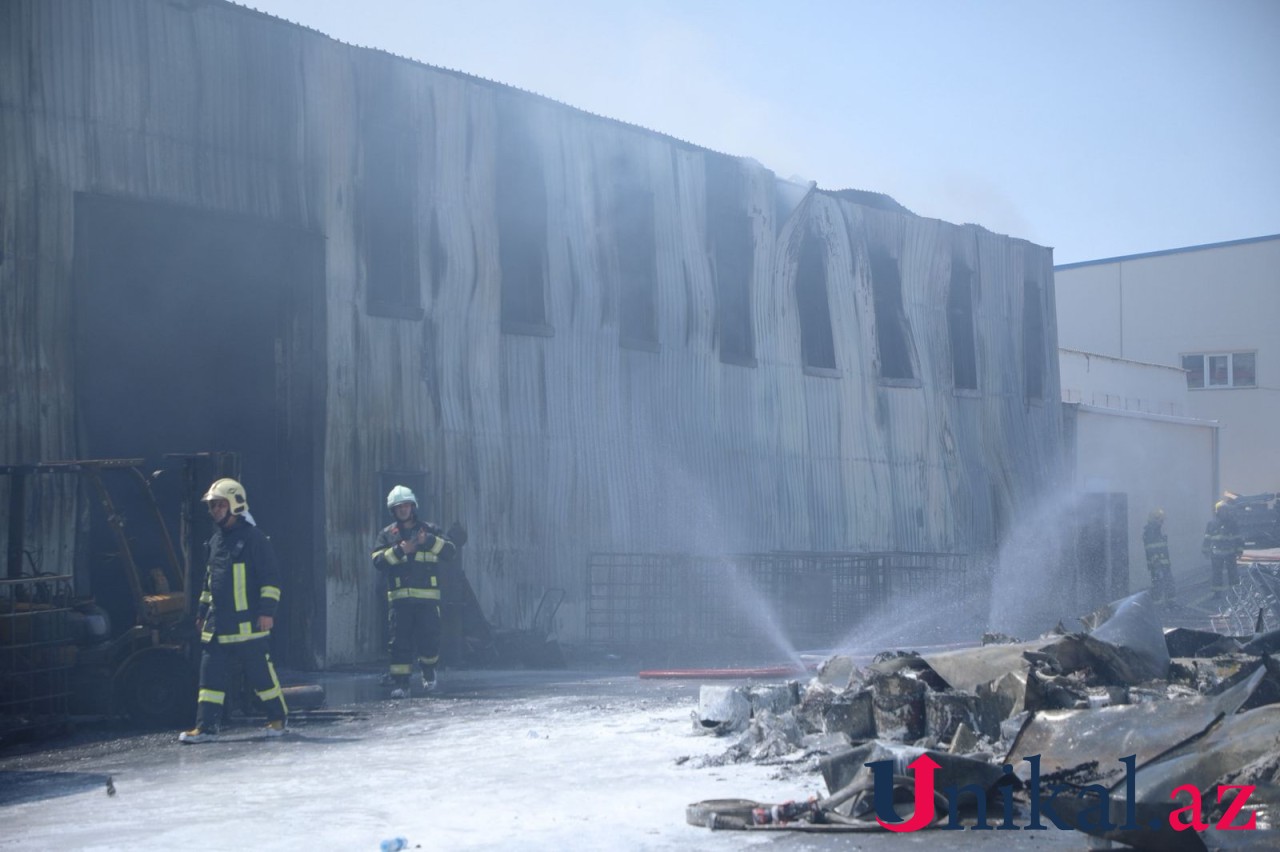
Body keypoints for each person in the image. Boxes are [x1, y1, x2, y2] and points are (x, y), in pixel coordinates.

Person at [179, 478, 288, 743]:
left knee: (261, 677)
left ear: (235, 505)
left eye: (219, 505)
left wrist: (267, 612)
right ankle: (205, 728)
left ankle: (277, 719)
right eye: (212, 506)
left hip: (249, 626)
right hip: (218, 627)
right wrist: (202, 612)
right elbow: (209, 582)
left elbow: (270, 579)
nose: (214, 510)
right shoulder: (216, 542)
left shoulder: (254, 539)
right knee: (209, 680)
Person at [371, 486, 464, 699]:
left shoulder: (429, 530)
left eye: (406, 506)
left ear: (413, 507)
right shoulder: (387, 534)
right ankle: (402, 684)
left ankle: (429, 673)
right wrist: (400, 550)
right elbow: (377, 561)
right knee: (399, 643)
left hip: (427, 601)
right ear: (392, 511)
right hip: (400, 601)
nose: (403, 510)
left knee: (429, 639)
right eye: (398, 507)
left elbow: (450, 552)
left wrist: (429, 542)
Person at [1202, 500, 1244, 600]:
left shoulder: (1233, 523)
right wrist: (1205, 550)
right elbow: (1207, 538)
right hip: (1216, 554)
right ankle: (1217, 593)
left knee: (1233, 574)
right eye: (1222, 510)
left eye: (1226, 510)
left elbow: (1239, 538)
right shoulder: (1211, 524)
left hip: (1230, 553)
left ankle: (1235, 593)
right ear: (1217, 511)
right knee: (1216, 574)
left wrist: (1239, 551)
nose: (1224, 512)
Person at [1143, 508, 1175, 604]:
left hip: (1163, 564)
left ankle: (1170, 603)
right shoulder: (1150, 532)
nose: (1162, 523)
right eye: (1161, 520)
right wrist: (1156, 563)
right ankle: (1158, 605)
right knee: (1159, 584)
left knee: (1167, 583)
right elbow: (1150, 549)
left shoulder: (1157, 531)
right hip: (1157, 564)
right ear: (1155, 519)